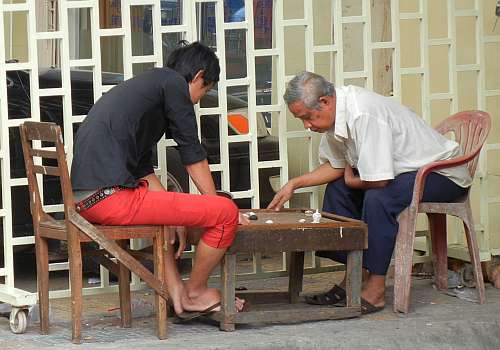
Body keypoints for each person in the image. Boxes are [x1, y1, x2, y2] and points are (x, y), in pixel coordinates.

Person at [267, 71, 471, 314]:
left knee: (379, 199)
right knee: (337, 190)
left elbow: (380, 181)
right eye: (301, 119)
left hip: (444, 174)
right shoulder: (334, 120)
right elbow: (336, 166)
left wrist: (352, 181)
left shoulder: (363, 112)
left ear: (325, 101)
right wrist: (294, 184)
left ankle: (375, 289)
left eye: (308, 117)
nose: (307, 126)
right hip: (403, 173)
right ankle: (355, 276)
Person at [71, 41, 247, 318]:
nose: (199, 100)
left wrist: (173, 214)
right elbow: (192, 153)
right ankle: (196, 292)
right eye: (205, 91)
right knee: (225, 212)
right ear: (199, 76)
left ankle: (178, 294)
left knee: (167, 218)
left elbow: (142, 170)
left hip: (88, 199)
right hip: (110, 197)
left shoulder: (146, 90)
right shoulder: (175, 85)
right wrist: (215, 207)